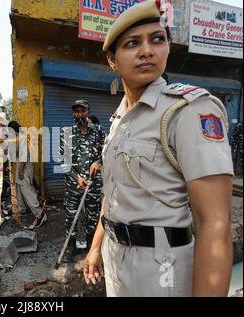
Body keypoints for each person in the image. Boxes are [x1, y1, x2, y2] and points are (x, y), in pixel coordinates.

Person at [83, 0, 234, 297]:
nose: (147, 51)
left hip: (163, 269)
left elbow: (214, 225)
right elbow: (112, 194)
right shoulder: (118, 120)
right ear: (112, 60)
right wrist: (96, 246)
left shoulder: (187, 111)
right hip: (116, 261)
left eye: (157, 39)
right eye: (132, 43)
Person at [59, 100, 104, 263]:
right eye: (76, 111)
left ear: (88, 112)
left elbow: (106, 153)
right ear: (73, 114)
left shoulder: (98, 132)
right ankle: (70, 248)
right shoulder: (67, 134)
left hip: (93, 183)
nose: (79, 114)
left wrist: (98, 162)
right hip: (73, 185)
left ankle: (91, 248)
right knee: (71, 216)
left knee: (93, 216)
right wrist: (77, 178)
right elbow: (63, 163)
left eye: (82, 111)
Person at [8, 121, 46, 229]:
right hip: (20, 168)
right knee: (19, 189)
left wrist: (21, 171)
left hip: (23, 169)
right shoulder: (17, 138)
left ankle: (40, 214)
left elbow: (23, 156)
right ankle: (22, 209)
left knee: (27, 191)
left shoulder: (21, 138)